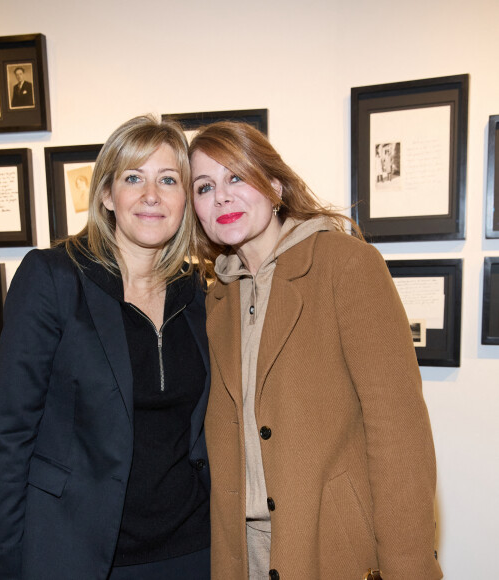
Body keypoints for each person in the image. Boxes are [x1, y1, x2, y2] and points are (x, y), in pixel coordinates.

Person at [189, 121, 443, 580]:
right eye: (204, 187)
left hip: (330, 548)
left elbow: (399, 436)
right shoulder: (215, 299)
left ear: (275, 184)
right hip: (239, 553)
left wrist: (410, 569)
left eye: (236, 177)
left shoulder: (346, 266)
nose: (221, 196)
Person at [0, 116, 211, 580]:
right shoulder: (53, 278)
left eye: (168, 180)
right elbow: (9, 437)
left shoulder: (200, 293)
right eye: (133, 178)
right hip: (78, 552)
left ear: (185, 199)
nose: (152, 195)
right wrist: (4, 562)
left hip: (191, 550)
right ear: (107, 195)